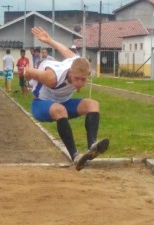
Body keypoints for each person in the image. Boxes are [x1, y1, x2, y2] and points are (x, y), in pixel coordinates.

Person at [24, 27, 109, 171]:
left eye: (84, 80)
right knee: (60, 109)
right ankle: (75, 156)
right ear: (70, 72)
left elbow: (65, 51)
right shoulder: (51, 78)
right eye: (77, 79)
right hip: (41, 105)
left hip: (63, 102)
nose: (80, 83)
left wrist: (49, 40)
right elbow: (30, 72)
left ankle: (92, 146)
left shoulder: (77, 62)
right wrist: (25, 74)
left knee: (93, 104)